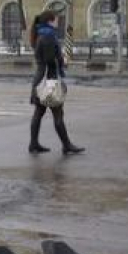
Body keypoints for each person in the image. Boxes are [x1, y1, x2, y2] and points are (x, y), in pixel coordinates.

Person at [28, 11, 84, 155]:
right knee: (58, 113)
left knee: (39, 112)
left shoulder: (42, 34)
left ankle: (34, 144)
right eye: (57, 19)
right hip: (49, 80)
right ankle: (67, 145)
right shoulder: (48, 36)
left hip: (41, 78)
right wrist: (61, 62)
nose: (58, 22)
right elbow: (49, 60)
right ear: (50, 21)